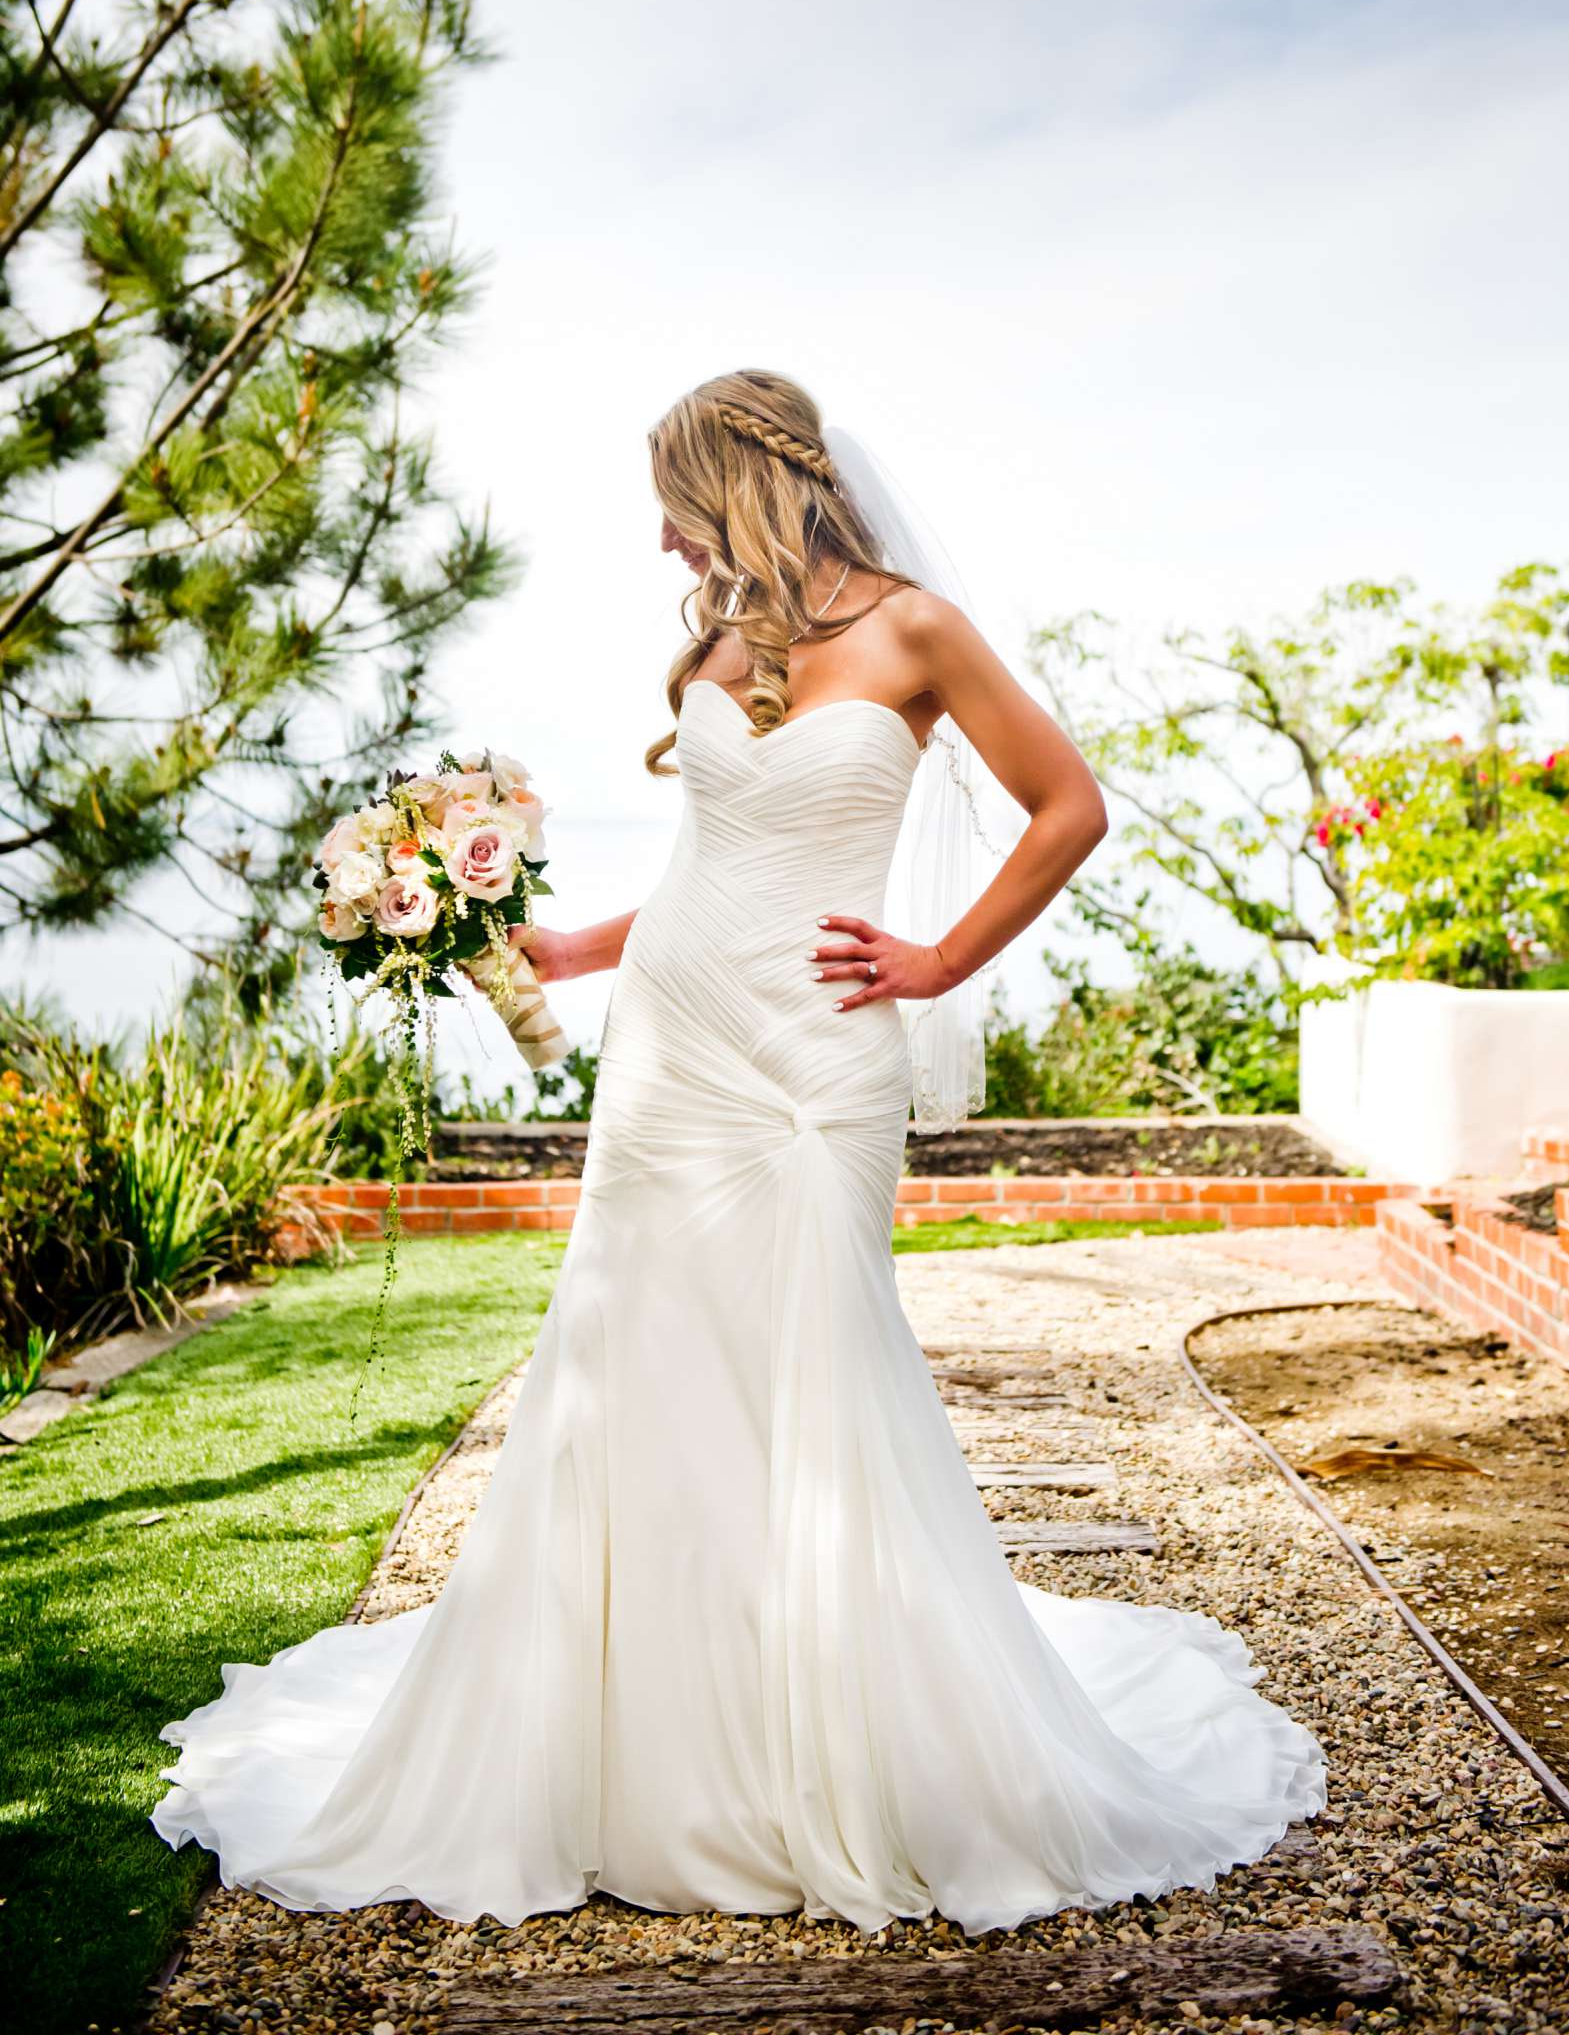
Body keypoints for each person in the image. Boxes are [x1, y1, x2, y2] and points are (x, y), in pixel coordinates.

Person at [152, 369, 1324, 1931]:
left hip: (818, 1060)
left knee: (818, 1355)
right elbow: (719, 846)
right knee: (631, 1355)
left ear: (740, 479)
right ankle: (628, 1747)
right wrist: (570, 951)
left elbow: (1067, 808)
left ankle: (834, 1731)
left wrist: (937, 960)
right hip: (671, 1049)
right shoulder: (717, 641)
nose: (659, 536)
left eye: (673, 499)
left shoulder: (917, 630)